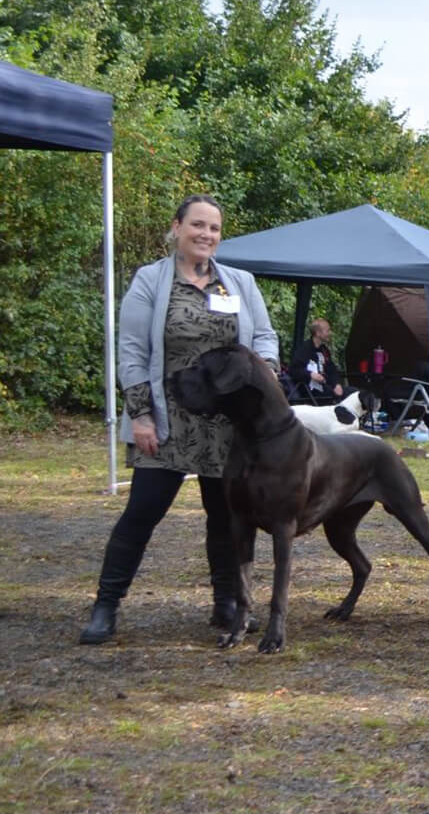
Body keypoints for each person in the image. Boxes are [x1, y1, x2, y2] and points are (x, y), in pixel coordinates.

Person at [80, 194, 279, 644]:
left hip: (226, 426)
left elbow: (264, 337)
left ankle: (227, 603)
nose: (206, 235)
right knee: (142, 513)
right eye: (198, 225)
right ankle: (105, 607)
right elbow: (131, 352)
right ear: (177, 227)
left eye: (214, 228)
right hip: (167, 420)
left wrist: (265, 371)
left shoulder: (240, 283)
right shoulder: (151, 281)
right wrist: (141, 415)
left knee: (226, 516)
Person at [288, 317, 345, 404]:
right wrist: (311, 374)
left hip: (326, 386)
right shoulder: (304, 349)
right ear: (318, 333)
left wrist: (337, 384)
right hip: (310, 390)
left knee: (352, 392)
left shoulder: (324, 350)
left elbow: (332, 370)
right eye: (327, 331)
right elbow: (294, 370)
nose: (329, 333)